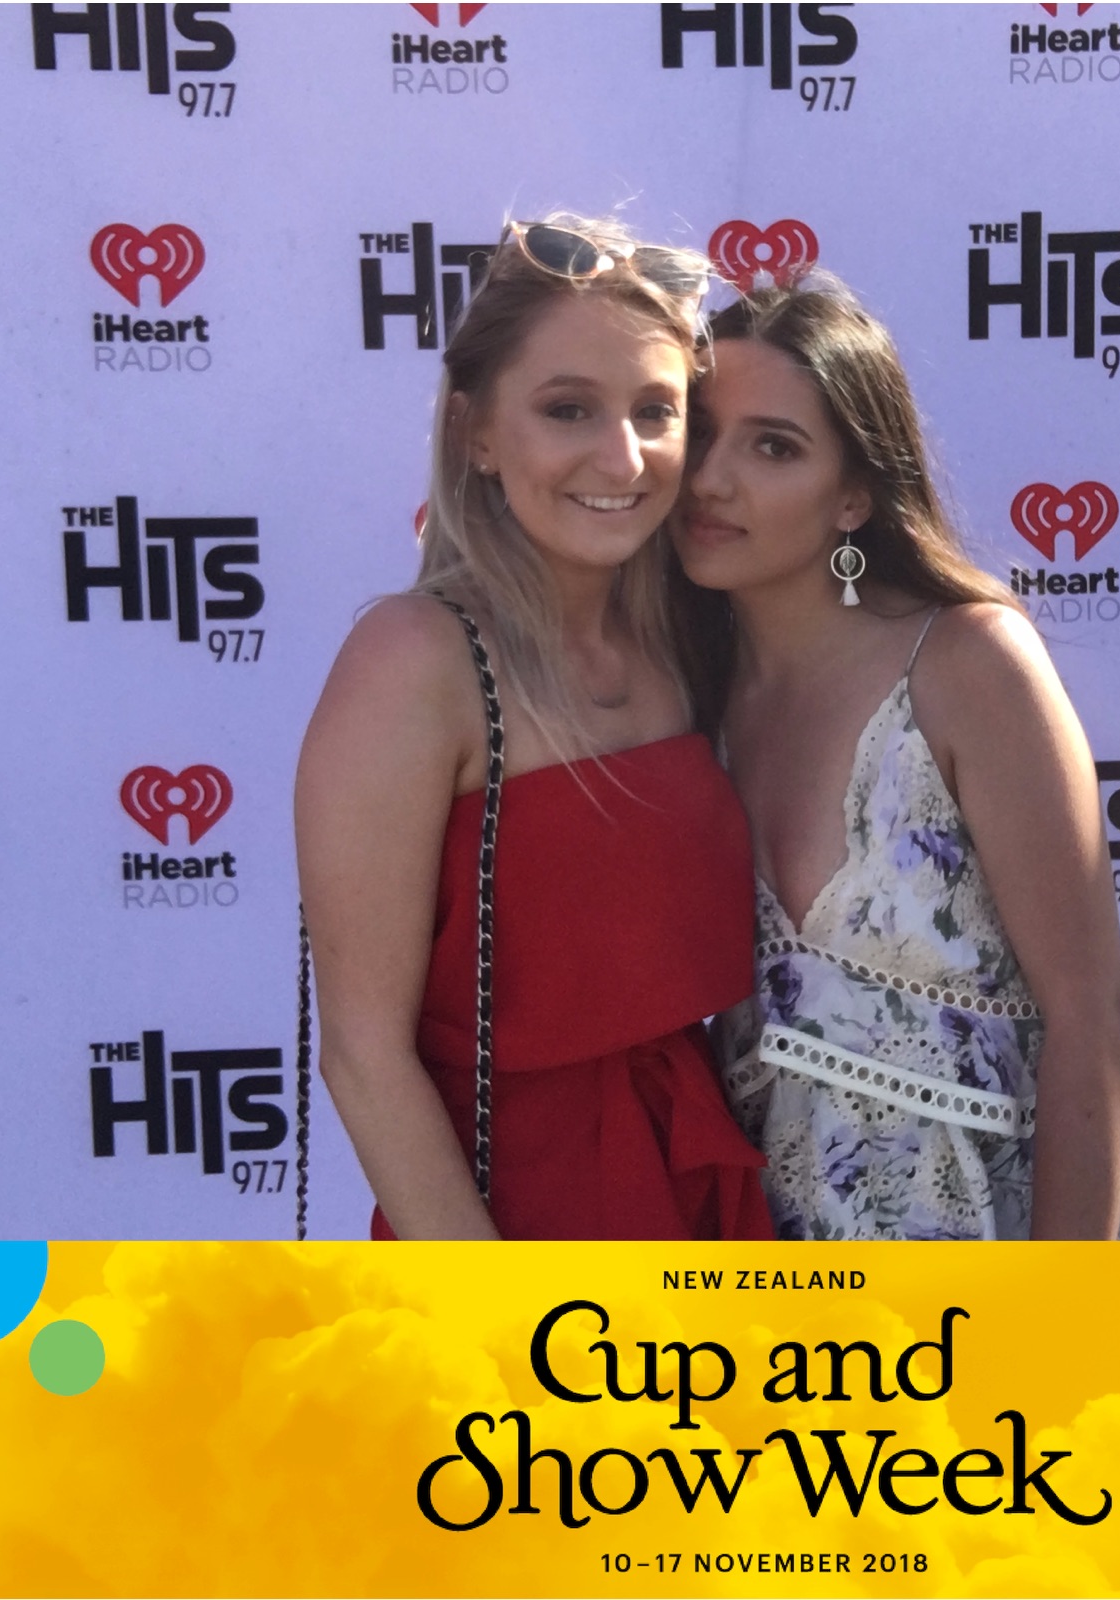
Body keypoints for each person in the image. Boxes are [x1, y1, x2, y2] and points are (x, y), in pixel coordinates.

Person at [669, 276, 1120, 1241]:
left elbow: (1091, 1016)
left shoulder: (966, 660)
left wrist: (1050, 1310)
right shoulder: (678, 699)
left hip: (1013, 1240)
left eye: (774, 447)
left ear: (854, 497)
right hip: (787, 1270)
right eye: (699, 433)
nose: (711, 480)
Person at [295, 217, 773, 1241]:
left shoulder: (686, 641)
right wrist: (502, 1309)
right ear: (474, 432)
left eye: (656, 410)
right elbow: (363, 1056)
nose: (624, 456)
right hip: (505, 1224)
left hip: (702, 1190)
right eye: (568, 409)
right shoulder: (413, 660)